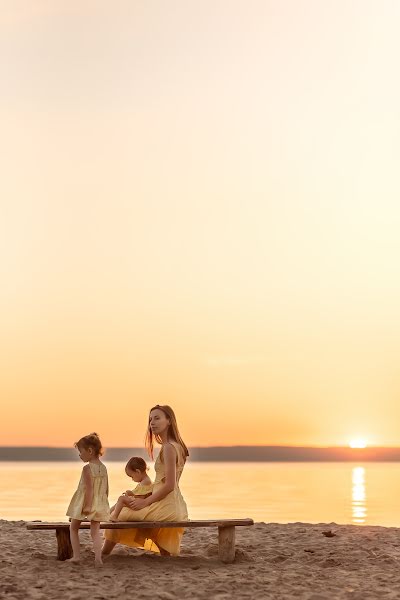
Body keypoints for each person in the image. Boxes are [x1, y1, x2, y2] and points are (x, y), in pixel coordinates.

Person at [102, 405, 189, 557]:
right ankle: (165, 553)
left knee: (119, 513)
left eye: (157, 418)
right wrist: (141, 495)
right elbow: (165, 484)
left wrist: (145, 502)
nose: (152, 423)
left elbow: (169, 485)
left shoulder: (168, 447)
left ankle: (104, 553)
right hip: (175, 506)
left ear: (169, 420)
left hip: (166, 507)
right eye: (150, 420)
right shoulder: (179, 446)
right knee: (126, 508)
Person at [66, 432, 110, 565]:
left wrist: (87, 506)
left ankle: (77, 556)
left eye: (81, 452)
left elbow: (89, 489)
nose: (79, 455)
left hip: (85, 502)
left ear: (90, 451)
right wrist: (103, 503)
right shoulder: (104, 468)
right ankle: (98, 558)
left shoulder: (87, 469)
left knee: (73, 528)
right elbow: (106, 489)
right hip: (100, 502)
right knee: (95, 532)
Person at [110, 456, 153, 521]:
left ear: (138, 472)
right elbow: (140, 494)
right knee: (119, 502)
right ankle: (107, 514)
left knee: (121, 499)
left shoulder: (145, 482)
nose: (132, 480)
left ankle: (114, 516)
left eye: (132, 476)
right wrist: (130, 493)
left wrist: (130, 496)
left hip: (139, 505)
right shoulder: (144, 481)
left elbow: (142, 498)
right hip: (138, 503)